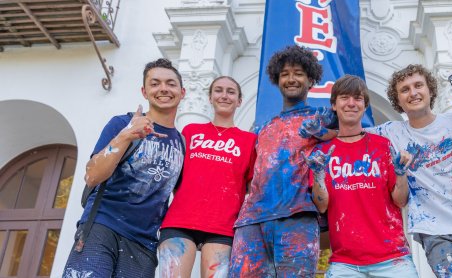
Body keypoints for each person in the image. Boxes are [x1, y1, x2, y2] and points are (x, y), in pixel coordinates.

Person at [364, 64, 452, 278]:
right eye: (404, 90)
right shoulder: (390, 132)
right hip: (433, 231)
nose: (413, 93)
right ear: (398, 100)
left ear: (430, 90)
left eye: (418, 85)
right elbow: (351, 132)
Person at [63, 58, 186, 277]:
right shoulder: (122, 124)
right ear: (144, 91)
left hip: (144, 245)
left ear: (182, 92)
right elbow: (92, 176)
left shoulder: (181, 143)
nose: (163, 89)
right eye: (155, 83)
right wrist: (126, 135)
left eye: (170, 83)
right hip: (101, 228)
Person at [228, 45, 336, 277]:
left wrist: (326, 131)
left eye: (298, 73)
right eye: (285, 74)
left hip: (298, 217)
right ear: (277, 80)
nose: (291, 79)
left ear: (310, 79)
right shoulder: (265, 127)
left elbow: (347, 133)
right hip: (251, 221)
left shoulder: (322, 117)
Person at [305, 74, 419, 277]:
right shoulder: (321, 153)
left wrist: (401, 174)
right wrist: (319, 176)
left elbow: (400, 201)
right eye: (344, 98)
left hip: (393, 259)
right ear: (334, 104)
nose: (351, 103)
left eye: (357, 98)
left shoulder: (382, 146)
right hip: (345, 264)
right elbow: (322, 206)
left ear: (365, 106)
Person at [157, 76, 256, 278]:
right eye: (218, 90)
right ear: (210, 97)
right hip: (180, 221)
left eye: (231, 92)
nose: (224, 95)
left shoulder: (250, 141)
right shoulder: (191, 132)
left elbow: (250, 187)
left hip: (223, 226)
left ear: (239, 100)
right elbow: (177, 178)